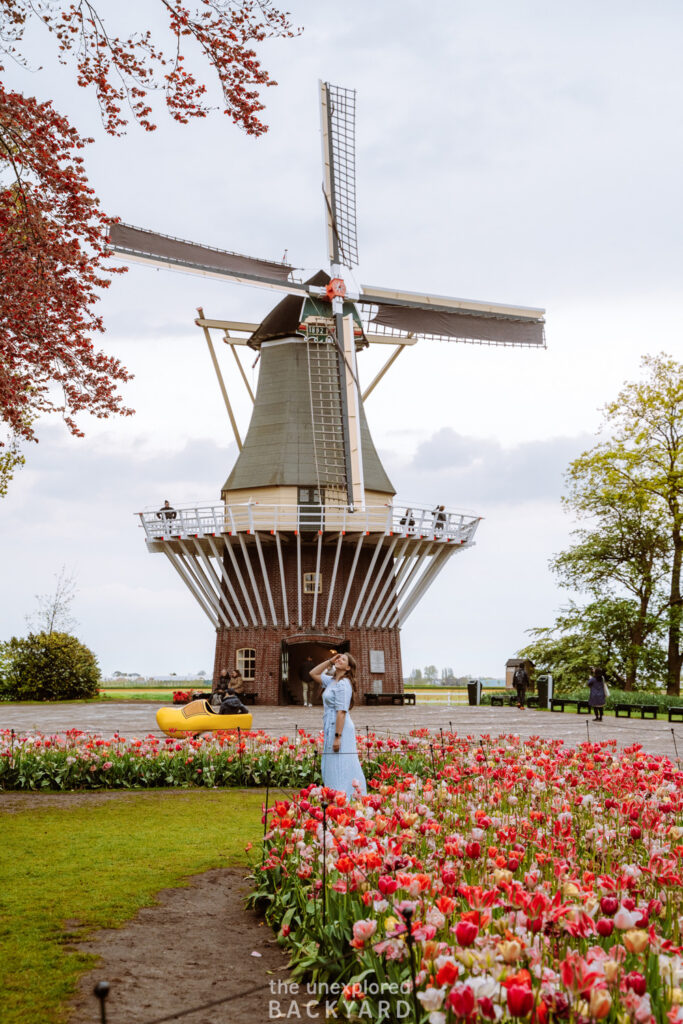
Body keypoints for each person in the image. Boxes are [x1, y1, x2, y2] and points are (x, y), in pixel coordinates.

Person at [310, 652, 366, 799]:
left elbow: (341, 711)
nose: (339, 659)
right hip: (331, 724)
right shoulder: (332, 681)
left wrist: (337, 737)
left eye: (343, 659)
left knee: (341, 761)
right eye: (339, 657)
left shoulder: (343, 684)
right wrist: (330, 661)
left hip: (340, 728)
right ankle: (335, 794)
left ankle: (345, 796)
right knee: (332, 761)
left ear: (348, 667)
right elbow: (313, 673)